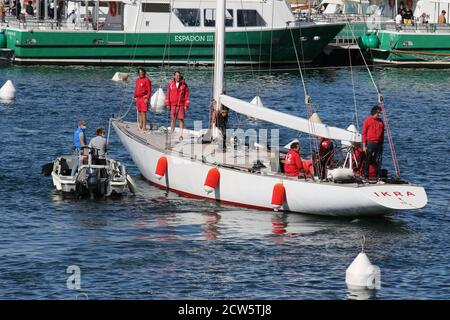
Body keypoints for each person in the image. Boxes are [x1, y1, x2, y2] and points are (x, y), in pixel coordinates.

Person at [165, 70, 190, 141]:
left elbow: (187, 96)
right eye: (176, 75)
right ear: (174, 76)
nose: (177, 77)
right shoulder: (171, 84)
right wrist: (167, 103)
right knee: (173, 119)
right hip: (173, 105)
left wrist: (186, 104)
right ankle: (172, 133)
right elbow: (168, 94)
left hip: (181, 105)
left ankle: (181, 135)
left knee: (181, 120)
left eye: (179, 75)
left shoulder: (184, 85)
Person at [362, 106, 384, 180]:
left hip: (379, 144)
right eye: (378, 113)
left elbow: (382, 135)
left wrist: (382, 145)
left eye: (379, 113)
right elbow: (364, 134)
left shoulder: (381, 122)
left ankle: (378, 176)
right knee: (368, 160)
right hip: (370, 143)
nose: (379, 114)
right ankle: (366, 175)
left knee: (377, 160)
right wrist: (364, 145)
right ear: (374, 112)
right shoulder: (367, 121)